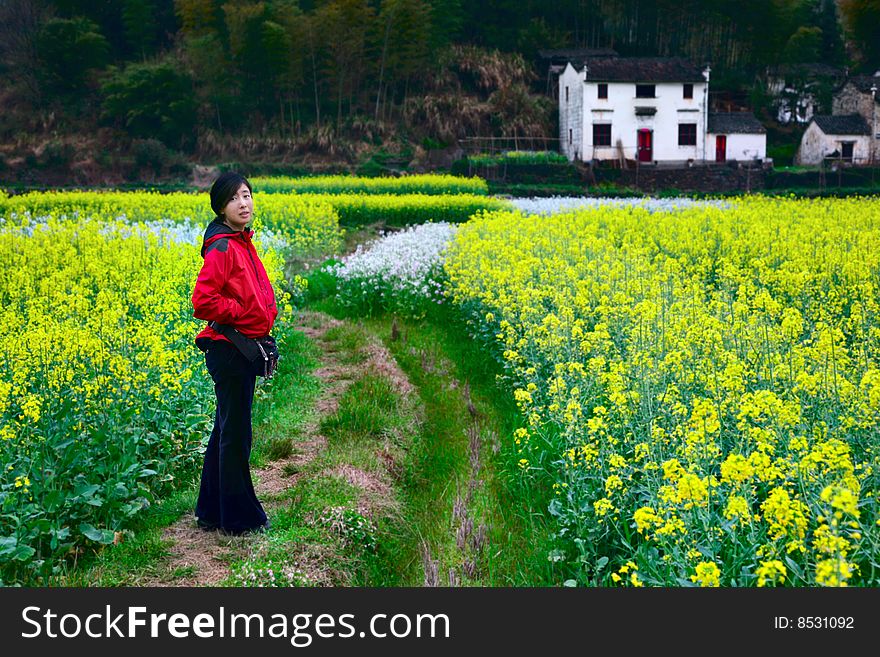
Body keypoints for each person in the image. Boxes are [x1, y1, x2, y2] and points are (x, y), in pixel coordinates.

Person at [191, 172, 277, 535]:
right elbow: (203, 300)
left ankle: (211, 511)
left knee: (225, 430)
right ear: (221, 208)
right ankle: (238, 521)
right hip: (230, 351)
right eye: (234, 199)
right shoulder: (223, 246)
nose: (243, 203)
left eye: (247, 195)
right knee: (236, 435)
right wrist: (242, 313)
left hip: (236, 350)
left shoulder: (240, 241)